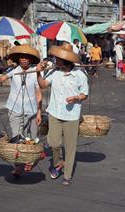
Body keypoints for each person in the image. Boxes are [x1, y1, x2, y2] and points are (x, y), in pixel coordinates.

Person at [36, 42, 89, 186]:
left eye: (58, 59)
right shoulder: (54, 72)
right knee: (53, 143)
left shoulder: (79, 75)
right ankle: (59, 163)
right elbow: (43, 84)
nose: (55, 60)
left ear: (65, 60)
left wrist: (76, 98)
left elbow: (85, 94)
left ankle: (67, 175)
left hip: (71, 116)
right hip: (54, 113)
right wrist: (38, 72)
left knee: (70, 147)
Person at [0, 44, 42, 176]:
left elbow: (39, 92)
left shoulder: (36, 72)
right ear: (18, 59)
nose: (24, 60)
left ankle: (29, 160)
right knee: (17, 138)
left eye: (26, 58)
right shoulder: (13, 71)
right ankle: (18, 166)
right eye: (21, 58)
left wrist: (39, 112)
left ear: (30, 60)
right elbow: (1, 79)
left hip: (32, 109)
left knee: (32, 138)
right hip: (14, 108)